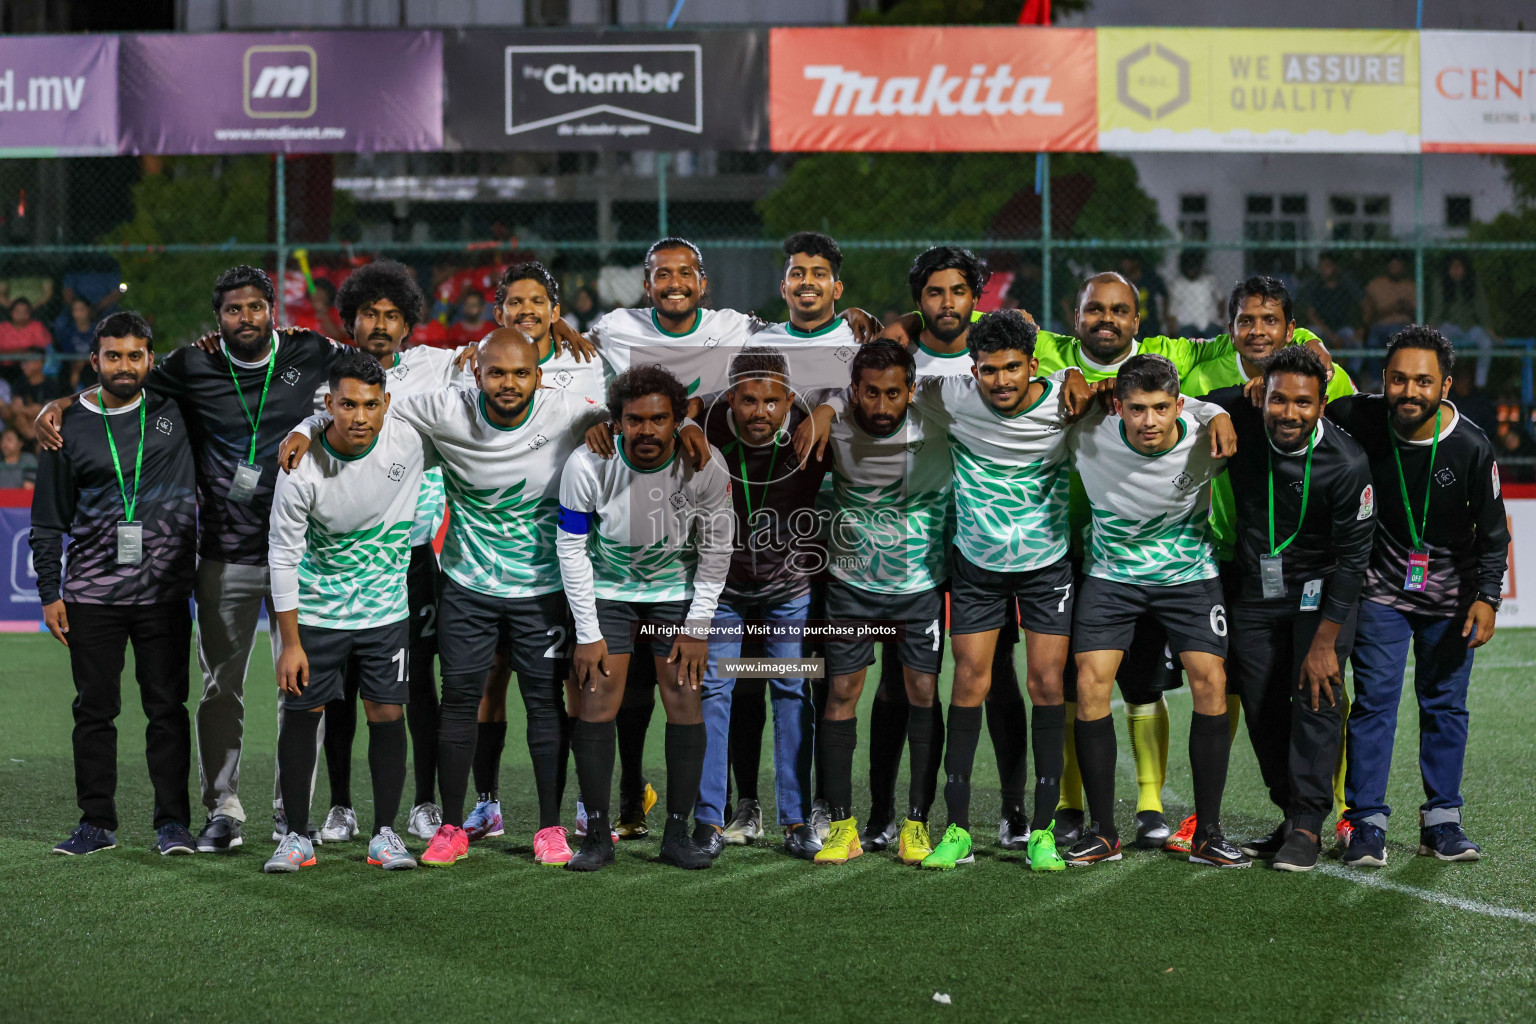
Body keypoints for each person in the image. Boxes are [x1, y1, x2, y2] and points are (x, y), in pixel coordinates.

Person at [35, 265, 349, 853]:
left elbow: (374, 371)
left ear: (272, 309)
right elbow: (115, 391)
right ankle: (222, 811)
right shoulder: (190, 366)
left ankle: (292, 816)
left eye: (256, 307)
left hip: (301, 555)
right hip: (221, 556)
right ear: (218, 318)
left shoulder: (312, 350)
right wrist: (58, 403)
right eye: (234, 310)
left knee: (298, 692)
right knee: (216, 690)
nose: (246, 318)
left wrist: (316, 419)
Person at [1326, 326, 1508, 866]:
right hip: (1379, 593)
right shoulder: (1359, 418)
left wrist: (1489, 597)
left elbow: (1495, 532)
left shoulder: (1472, 446)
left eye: (1423, 381)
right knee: (1374, 705)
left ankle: (1442, 821)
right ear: (1382, 379)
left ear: (1445, 385)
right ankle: (1366, 824)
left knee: (1446, 706)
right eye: (1398, 379)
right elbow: (1307, 403)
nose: (1409, 391)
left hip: (1452, 600)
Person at [871, 246, 1030, 855]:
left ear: (975, 297)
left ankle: (1013, 811)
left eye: (958, 291)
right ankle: (889, 811)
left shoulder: (995, 352)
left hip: (979, 544)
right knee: (898, 681)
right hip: (906, 543)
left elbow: (1065, 368)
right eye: (934, 293)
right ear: (920, 301)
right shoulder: (897, 354)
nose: (946, 303)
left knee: (995, 679)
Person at [1064, 353, 1247, 867]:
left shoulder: (1205, 436)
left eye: (1161, 408)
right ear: (1118, 406)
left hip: (1189, 576)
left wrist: (1216, 413)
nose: (1149, 421)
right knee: (1090, 682)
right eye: (1138, 409)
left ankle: (1208, 832)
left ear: (1179, 405)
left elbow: (1239, 402)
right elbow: (1030, 391)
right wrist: (1074, 377)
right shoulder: (1089, 432)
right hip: (1111, 576)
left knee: (1211, 679)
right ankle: (1103, 832)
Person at [29, 312, 199, 857]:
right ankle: (95, 824)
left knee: (167, 710)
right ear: (94, 360)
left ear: (151, 358)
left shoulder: (177, 408)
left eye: (134, 355)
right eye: (112, 356)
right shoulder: (64, 427)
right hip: (90, 596)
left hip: (164, 592)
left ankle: (172, 824)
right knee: (94, 711)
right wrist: (50, 592)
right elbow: (48, 519)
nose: (124, 366)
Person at [1203, 346, 1374, 871]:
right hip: (1256, 590)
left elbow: (1352, 562)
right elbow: (1181, 401)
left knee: (1316, 695)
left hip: (1322, 593)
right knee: (1258, 704)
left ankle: (1306, 822)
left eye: (1303, 403)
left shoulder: (1347, 463)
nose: (1289, 414)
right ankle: (1290, 809)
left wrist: (1325, 644)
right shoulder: (1246, 421)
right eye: (1278, 400)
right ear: (1263, 397)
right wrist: (1216, 411)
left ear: (1322, 405)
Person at [558, 365, 732, 871]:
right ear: (618, 422)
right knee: (595, 698)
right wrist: (587, 633)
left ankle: (676, 835)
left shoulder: (706, 463)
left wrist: (699, 626)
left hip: (674, 591)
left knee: (683, 696)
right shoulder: (588, 463)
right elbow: (571, 549)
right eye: (635, 420)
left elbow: (717, 548)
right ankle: (597, 836)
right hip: (608, 590)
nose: (647, 430)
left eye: (659, 419)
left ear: (679, 420)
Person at [314, 260, 466, 844]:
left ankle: (425, 802)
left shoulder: (438, 368)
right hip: (341, 558)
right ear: (350, 321)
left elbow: (508, 349)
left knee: (417, 683)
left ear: (408, 324)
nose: (380, 325)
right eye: (369, 314)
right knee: (341, 685)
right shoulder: (325, 374)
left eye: (392, 315)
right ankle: (340, 806)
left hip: (413, 556)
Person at [264, 352, 425, 873]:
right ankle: (294, 837)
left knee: (387, 713)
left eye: (371, 405)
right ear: (328, 404)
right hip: (317, 616)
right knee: (302, 715)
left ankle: (384, 834)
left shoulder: (409, 440)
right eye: (347, 405)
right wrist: (290, 643)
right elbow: (282, 557)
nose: (360, 417)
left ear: (387, 405)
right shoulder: (299, 468)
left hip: (384, 613)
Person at [463, 261, 605, 843]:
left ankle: (576, 802)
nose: (526, 311)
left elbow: (611, 419)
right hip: (494, 559)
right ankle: (488, 802)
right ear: (498, 313)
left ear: (555, 311)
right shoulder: (480, 363)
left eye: (536, 302)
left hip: (569, 554)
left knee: (573, 682)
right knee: (490, 681)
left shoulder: (587, 361)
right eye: (514, 303)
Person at [805, 340, 951, 866]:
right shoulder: (835, 426)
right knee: (842, 692)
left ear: (911, 391)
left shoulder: (938, 423)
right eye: (871, 393)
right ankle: (843, 827)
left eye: (894, 393)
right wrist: (823, 406)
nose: (883, 405)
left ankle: (916, 824)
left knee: (922, 692)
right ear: (854, 392)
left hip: (919, 586)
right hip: (851, 586)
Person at [681, 346, 827, 861]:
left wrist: (826, 411)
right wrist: (688, 418)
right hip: (723, 588)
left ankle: (796, 821)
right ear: (731, 399)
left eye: (771, 401)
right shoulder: (708, 430)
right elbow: (671, 406)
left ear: (788, 400)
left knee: (791, 691)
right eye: (747, 400)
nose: (759, 412)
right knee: (714, 693)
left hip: (789, 589)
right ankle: (708, 821)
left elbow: (852, 397)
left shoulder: (813, 430)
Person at [1427, 255, 1497, 389]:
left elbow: (1481, 308)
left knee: (1486, 342)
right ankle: (1440, 380)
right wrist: (1430, 329)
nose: (1456, 271)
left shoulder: (1473, 282)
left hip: (1470, 327)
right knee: (1439, 341)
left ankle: (1480, 383)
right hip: (1449, 325)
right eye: (1452, 267)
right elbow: (1437, 308)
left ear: (1465, 269)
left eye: (1459, 267)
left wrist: (1490, 330)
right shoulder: (1441, 283)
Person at [1299, 253, 1364, 363]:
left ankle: (1353, 374)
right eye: (1322, 266)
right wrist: (1331, 336)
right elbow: (1311, 314)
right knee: (1311, 337)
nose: (1324, 269)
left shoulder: (1345, 283)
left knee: (1356, 342)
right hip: (1322, 327)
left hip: (1342, 327)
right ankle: (1313, 371)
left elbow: (1364, 303)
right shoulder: (1314, 285)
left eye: (1328, 265)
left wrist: (1361, 328)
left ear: (1335, 267)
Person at [1363, 255, 1416, 360]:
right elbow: (1370, 313)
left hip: (1402, 324)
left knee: (1394, 332)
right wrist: (1395, 308)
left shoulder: (1410, 285)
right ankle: (1376, 376)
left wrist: (1404, 307)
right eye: (1392, 266)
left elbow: (1415, 313)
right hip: (1380, 324)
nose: (1395, 269)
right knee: (1373, 338)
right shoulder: (1376, 284)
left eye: (1398, 266)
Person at [1166, 250, 1223, 337]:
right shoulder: (1177, 285)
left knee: (1213, 340)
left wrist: (1220, 320)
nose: (1191, 270)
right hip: (1186, 325)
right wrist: (1172, 330)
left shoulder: (1209, 280)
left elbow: (1221, 300)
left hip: (1209, 323)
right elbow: (1172, 310)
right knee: (1186, 338)